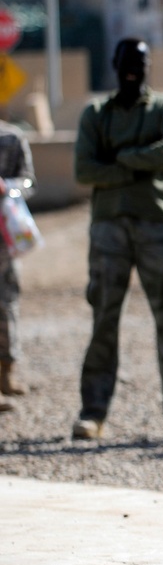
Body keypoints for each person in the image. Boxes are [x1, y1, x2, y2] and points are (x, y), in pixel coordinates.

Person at [71, 37, 163, 439]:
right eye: (127, 62)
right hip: (108, 227)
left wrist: (117, 157)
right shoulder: (95, 114)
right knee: (104, 319)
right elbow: (84, 170)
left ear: (148, 66)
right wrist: (137, 162)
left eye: (140, 63)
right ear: (114, 63)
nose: (132, 70)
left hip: (156, 224)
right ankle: (93, 413)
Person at [0, 119, 37, 413]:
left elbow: (28, 182)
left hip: (4, 240)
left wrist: (7, 188)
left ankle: (7, 371)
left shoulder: (11, 138)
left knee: (7, 303)